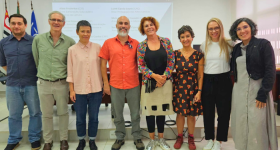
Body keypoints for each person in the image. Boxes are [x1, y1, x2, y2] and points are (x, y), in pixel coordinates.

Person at [229, 17, 278, 150]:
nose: (242, 31)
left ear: (251, 28)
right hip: (239, 92)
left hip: (257, 91)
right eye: (238, 29)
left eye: (245, 27)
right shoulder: (237, 48)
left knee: (258, 124)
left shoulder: (263, 44)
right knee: (240, 123)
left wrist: (263, 93)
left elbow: (270, 71)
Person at [98, 16, 144, 150]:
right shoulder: (108, 43)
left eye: (126, 23)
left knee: (135, 113)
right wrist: (105, 84)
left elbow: (142, 63)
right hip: (115, 85)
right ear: (116, 25)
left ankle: (137, 137)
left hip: (133, 84)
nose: (123, 25)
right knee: (117, 114)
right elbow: (102, 65)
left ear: (129, 26)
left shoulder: (136, 43)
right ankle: (120, 137)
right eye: (121, 23)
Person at [32, 11, 75, 150]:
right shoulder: (38, 39)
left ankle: (64, 140)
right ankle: (48, 141)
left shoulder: (70, 42)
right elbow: (36, 60)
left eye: (59, 20)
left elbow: (70, 64)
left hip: (62, 83)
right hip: (43, 83)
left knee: (63, 113)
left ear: (64, 23)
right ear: (49, 21)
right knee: (47, 114)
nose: (56, 22)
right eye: (54, 19)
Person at [0, 14, 42, 150]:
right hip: (12, 84)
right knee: (13, 114)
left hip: (31, 83)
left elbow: (39, 61)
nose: (16, 26)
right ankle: (14, 139)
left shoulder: (34, 41)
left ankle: (35, 138)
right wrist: (14, 73)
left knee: (35, 112)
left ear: (25, 25)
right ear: (10, 25)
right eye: (13, 23)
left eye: (19, 23)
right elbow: (3, 63)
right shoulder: (4, 43)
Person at [137, 16, 174, 150]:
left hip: (165, 83)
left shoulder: (166, 42)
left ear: (155, 26)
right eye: (146, 26)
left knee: (161, 112)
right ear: (143, 29)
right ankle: (152, 141)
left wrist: (163, 77)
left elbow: (171, 61)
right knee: (150, 113)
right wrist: (155, 77)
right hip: (149, 84)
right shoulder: (141, 46)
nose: (149, 27)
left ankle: (161, 139)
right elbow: (141, 65)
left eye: (151, 24)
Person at [67, 20, 103, 150]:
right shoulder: (72, 50)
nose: (85, 34)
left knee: (94, 117)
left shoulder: (98, 47)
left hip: (96, 89)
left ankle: (92, 141)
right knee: (80, 118)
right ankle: (81, 140)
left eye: (88, 31)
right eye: (83, 31)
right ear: (77, 32)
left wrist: (103, 85)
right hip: (79, 90)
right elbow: (70, 71)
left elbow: (102, 68)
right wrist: (71, 90)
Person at [200, 18, 233, 150]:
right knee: (208, 113)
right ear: (207, 31)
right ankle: (209, 139)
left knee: (223, 113)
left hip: (224, 81)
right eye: (211, 29)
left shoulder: (229, 44)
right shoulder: (204, 45)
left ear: (221, 28)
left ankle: (219, 141)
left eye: (216, 28)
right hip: (208, 81)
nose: (214, 31)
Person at [173, 25, 204, 150]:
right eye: (182, 37)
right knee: (180, 114)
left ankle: (191, 138)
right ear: (179, 39)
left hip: (193, 88)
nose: (185, 39)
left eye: (187, 36)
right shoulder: (175, 54)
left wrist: (199, 91)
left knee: (191, 115)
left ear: (192, 37)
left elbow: (200, 75)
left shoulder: (198, 55)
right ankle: (180, 137)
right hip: (179, 88)